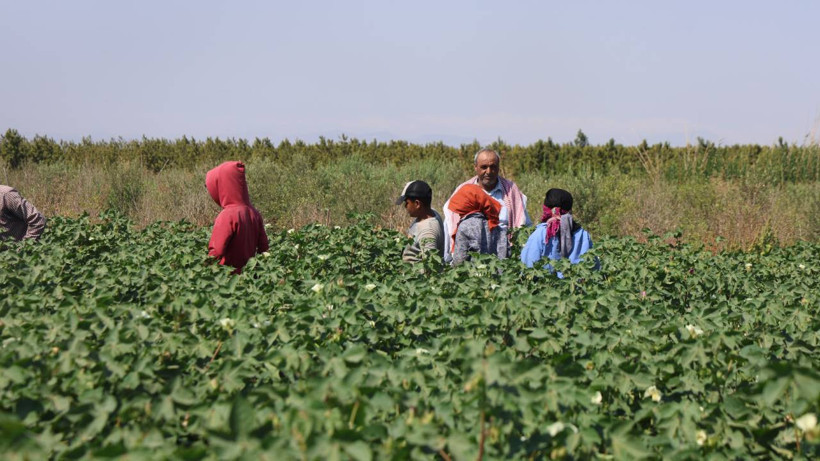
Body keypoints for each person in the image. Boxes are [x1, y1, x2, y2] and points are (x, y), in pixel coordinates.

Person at [442, 148, 531, 262]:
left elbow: (524, 227)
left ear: (498, 168)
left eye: (493, 167)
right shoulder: (464, 191)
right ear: (475, 167)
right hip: (469, 261)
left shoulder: (511, 192)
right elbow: (449, 225)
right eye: (484, 167)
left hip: (504, 260)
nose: (488, 171)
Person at [205, 161, 269, 274]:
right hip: (249, 276)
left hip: (228, 278)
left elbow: (217, 251)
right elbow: (264, 248)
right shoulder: (254, 213)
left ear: (223, 186)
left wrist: (204, 269)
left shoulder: (227, 215)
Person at [520, 188, 594, 270]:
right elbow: (593, 266)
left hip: (546, 283)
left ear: (546, 209)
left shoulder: (540, 233)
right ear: (570, 210)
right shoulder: (582, 234)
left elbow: (527, 265)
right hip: (577, 282)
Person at [447, 184, 508, 265]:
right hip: (495, 274)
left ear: (466, 204)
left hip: (475, 275)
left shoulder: (465, 226)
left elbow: (459, 261)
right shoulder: (494, 223)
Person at [396, 180, 444, 262]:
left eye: (407, 203)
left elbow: (430, 266)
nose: (405, 206)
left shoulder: (427, 231)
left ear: (417, 204)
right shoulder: (431, 213)